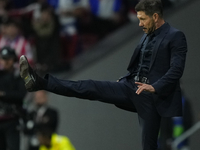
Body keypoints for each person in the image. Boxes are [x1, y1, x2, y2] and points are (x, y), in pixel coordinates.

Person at [19, 0, 188, 149]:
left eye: (143, 19)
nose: (139, 24)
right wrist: (125, 80)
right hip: (132, 88)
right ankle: (41, 83)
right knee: (89, 87)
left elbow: (175, 70)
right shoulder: (147, 37)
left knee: (151, 143)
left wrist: (154, 87)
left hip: (155, 97)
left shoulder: (175, 37)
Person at [0, 46, 27, 150]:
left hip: (13, 119)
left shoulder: (19, 75)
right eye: (3, 59)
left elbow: (21, 94)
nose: (5, 62)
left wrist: (3, 94)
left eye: (8, 59)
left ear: (13, 60)